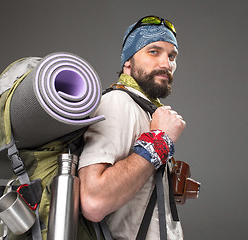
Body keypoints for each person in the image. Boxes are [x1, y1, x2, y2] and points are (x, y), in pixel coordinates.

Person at [78, 15, 186, 239]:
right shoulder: (117, 102)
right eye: (154, 51)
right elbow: (93, 201)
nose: (166, 64)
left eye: (171, 56)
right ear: (128, 61)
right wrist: (158, 140)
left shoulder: (146, 108)